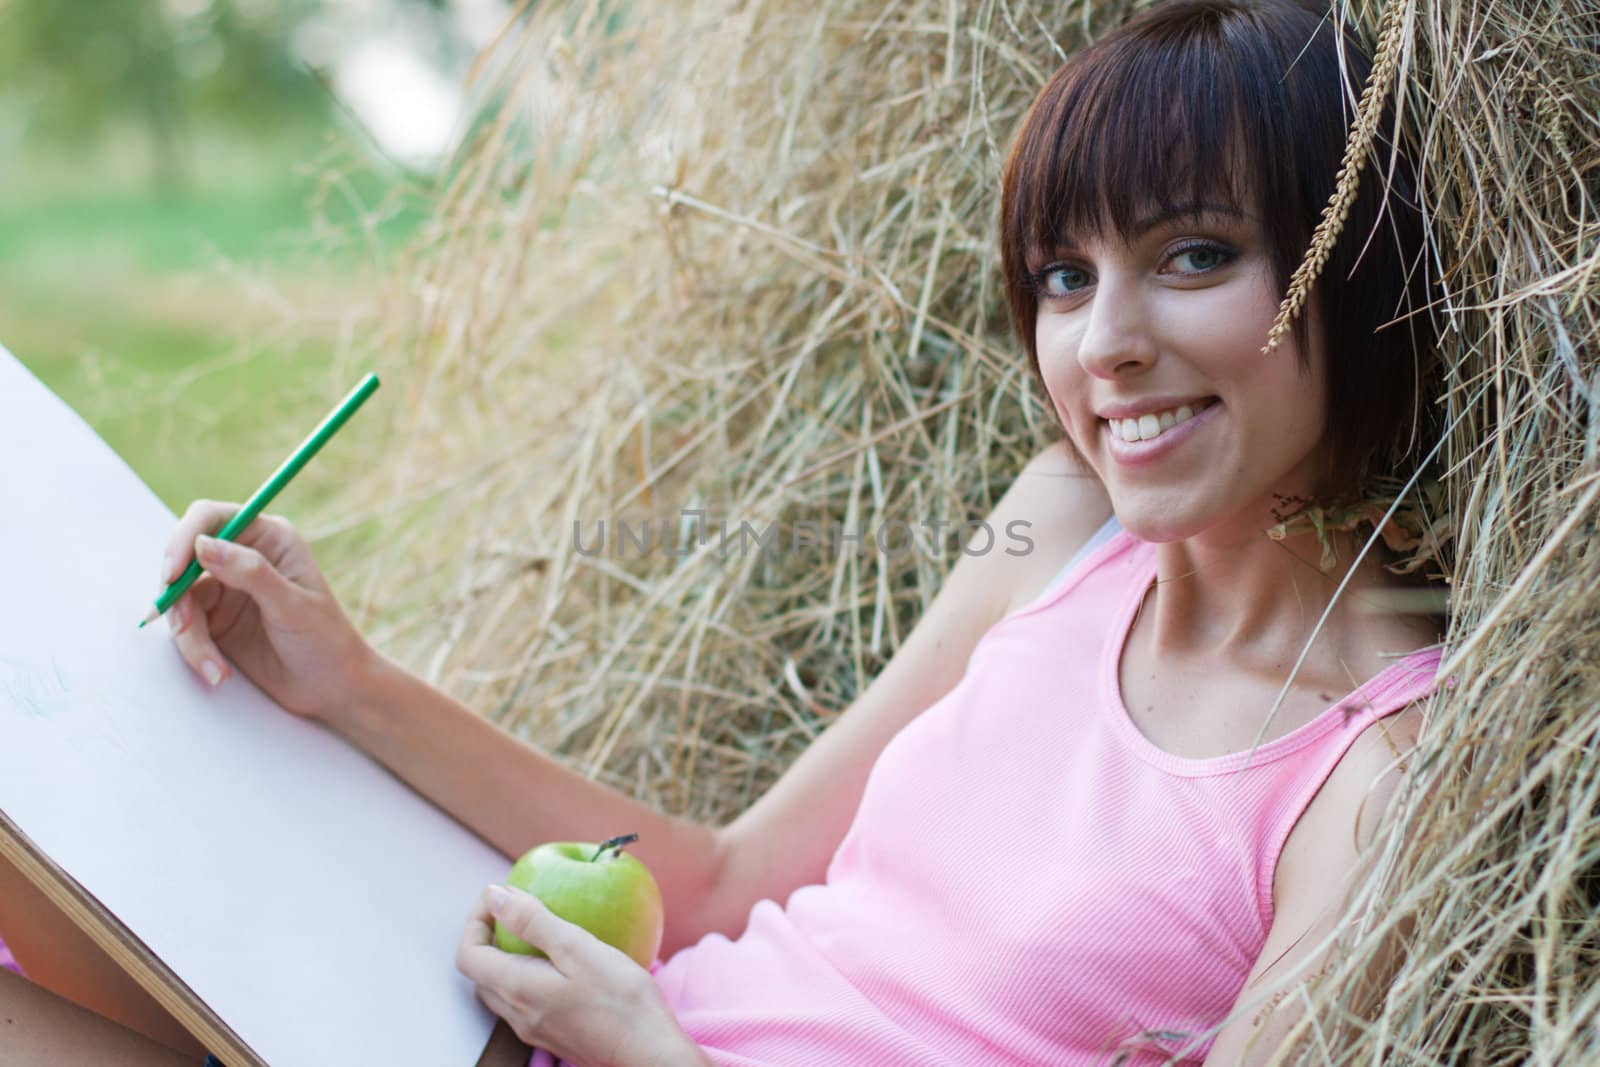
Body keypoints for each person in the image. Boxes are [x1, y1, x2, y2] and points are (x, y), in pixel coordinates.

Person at [0, 0, 1450, 1062]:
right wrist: (344, 678)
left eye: (1195, 255)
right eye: (1063, 278)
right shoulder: (1065, 528)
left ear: (1355, 266)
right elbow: (724, 885)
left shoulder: (1372, 767)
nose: (1106, 346)